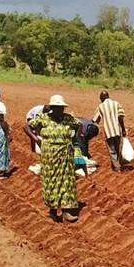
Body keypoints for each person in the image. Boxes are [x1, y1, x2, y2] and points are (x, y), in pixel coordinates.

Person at [24, 95, 81, 223]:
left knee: (67, 181)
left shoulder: (68, 119)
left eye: (61, 108)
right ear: (52, 108)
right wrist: (36, 139)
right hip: (49, 157)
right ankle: (53, 211)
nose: (59, 110)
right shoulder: (43, 118)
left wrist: (74, 138)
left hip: (65, 155)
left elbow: (79, 125)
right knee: (52, 182)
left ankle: (66, 211)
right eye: (56, 108)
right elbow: (27, 127)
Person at [92, 91, 127, 172]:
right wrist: (123, 129)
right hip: (117, 130)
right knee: (118, 148)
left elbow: (95, 120)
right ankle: (120, 164)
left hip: (108, 131)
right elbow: (120, 117)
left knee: (112, 150)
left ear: (101, 99)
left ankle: (117, 168)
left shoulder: (100, 106)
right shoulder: (116, 103)